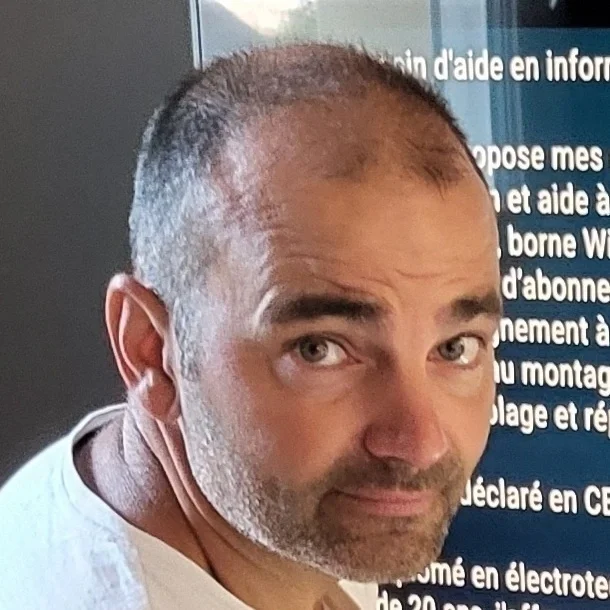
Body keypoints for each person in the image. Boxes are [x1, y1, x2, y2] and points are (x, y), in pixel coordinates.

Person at [0, 42, 501, 610]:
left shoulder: (273, 527)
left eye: (455, 348)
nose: (420, 443)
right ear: (151, 352)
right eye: (319, 349)